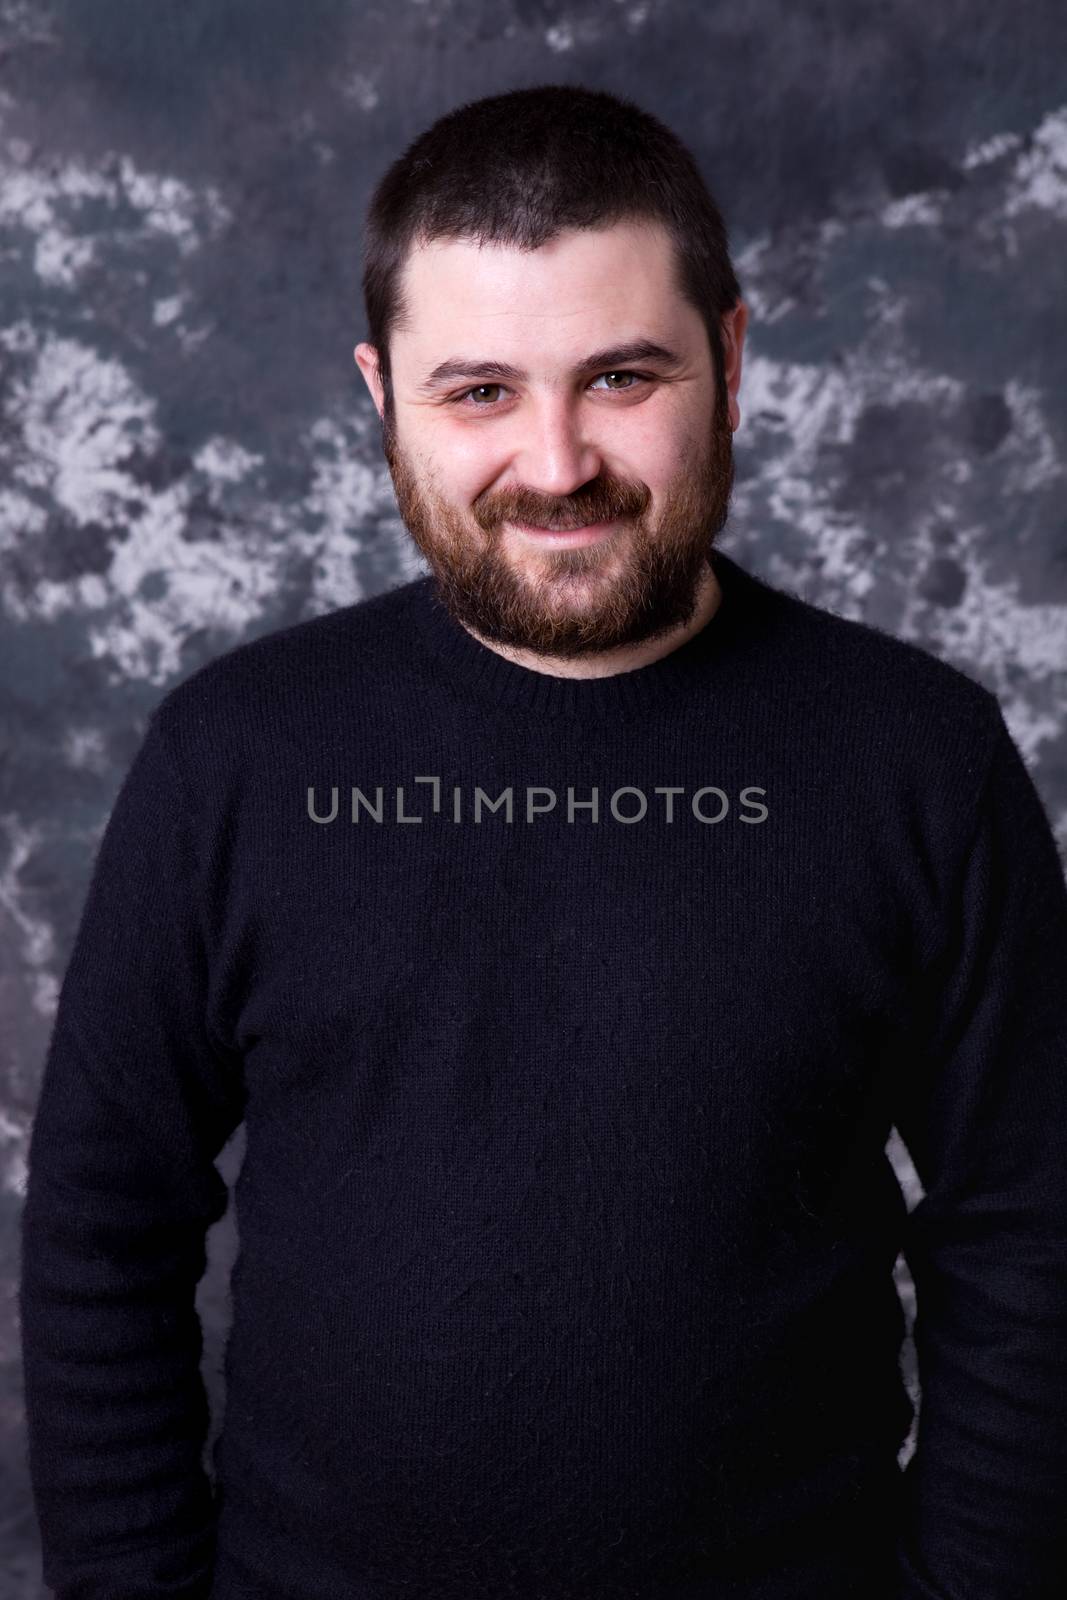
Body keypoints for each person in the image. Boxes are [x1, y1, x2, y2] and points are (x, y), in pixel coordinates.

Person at [19, 83, 1067, 1600]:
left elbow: (1032, 1239)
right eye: (480, 392)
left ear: (733, 355)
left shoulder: (920, 761)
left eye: (623, 376)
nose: (560, 461)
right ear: (382, 396)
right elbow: (103, 1232)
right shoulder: (235, 756)